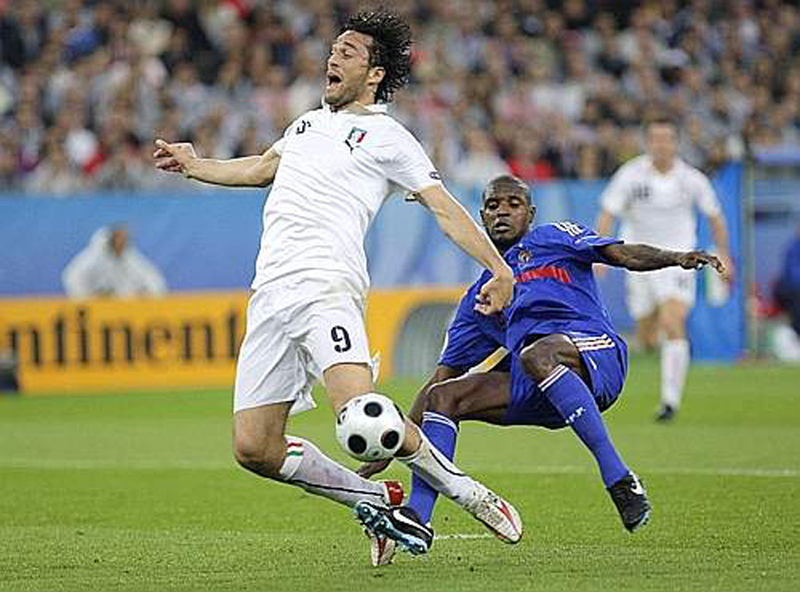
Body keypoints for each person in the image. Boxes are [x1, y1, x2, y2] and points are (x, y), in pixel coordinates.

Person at [152, 10, 521, 564]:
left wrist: (499, 268)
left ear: (374, 74)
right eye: (334, 49)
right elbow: (258, 169)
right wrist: (195, 164)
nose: (333, 57)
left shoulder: (389, 136)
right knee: (254, 446)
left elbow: (443, 209)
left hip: (326, 285)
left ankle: (468, 492)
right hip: (270, 294)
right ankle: (374, 500)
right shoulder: (303, 125)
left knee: (360, 415)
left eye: (348, 52)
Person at [358, 174, 725, 565]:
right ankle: (418, 516)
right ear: (481, 216)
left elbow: (620, 254)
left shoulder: (556, 238)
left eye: (513, 204)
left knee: (536, 354)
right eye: (493, 206)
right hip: (541, 384)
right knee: (442, 398)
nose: (502, 212)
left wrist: (676, 258)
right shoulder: (480, 298)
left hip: (595, 355)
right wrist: (398, 442)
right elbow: (441, 378)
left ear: (530, 213)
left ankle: (619, 478)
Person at [595, 116, 733, 422]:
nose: (661, 144)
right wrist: (599, 254)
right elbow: (608, 213)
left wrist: (725, 256)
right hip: (640, 260)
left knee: (673, 321)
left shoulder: (692, 179)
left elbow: (715, 217)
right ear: (648, 142)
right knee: (647, 337)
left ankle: (670, 402)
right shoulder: (630, 175)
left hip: (679, 260)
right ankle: (652, 345)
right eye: (656, 138)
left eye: (667, 138)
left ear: (675, 142)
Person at [62, 225, 168, 298]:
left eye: (124, 238)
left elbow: (153, 279)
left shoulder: (131, 258)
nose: (122, 241)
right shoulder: (93, 258)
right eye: (119, 237)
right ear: (111, 239)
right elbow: (72, 277)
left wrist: (148, 294)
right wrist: (88, 296)